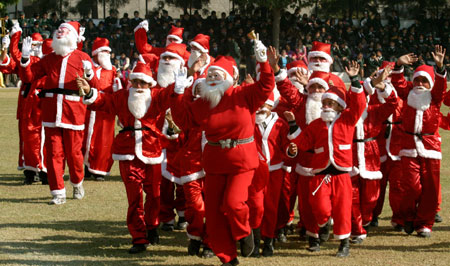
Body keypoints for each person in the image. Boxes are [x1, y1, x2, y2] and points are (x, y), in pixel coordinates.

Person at [170, 37, 273, 266]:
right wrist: (178, 92)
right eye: (210, 76)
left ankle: (245, 232)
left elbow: (266, 86)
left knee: (234, 203)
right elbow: (183, 119)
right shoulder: (205, 102)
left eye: (218, 75)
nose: (213, 79)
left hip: (242, 162)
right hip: (215, 163)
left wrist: (263, 62)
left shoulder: (243, 95)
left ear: (230, 78)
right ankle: (227, 258)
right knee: (214, 215)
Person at [78, 62, 172, 253]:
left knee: (154, 195)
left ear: (150, 84)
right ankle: (138, 238)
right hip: (127, 152)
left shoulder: (156, 96)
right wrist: (89, 92)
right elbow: (102, 102)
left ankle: (152, 226)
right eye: (135, 82)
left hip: (152, 150)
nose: (138, 87)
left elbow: (173, 96)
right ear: (130, 82)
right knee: (134, 198)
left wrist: (180, 82)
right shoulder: (122, 97)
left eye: (143, 83)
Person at [287, 61, 366, 257]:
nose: (325, 106)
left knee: (342, 209)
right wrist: (292, 128)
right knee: (320, 207)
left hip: (340, 173)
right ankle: (322, 227)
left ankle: (343, 243)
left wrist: (355, 80)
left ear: (339, 106)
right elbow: (303, 142)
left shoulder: (347, 120)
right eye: (324, 103)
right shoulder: (316, 124)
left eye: (329, 103)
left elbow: (359, 104)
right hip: (321, 173)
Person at [20, 21, 97, 204]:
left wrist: (88, 74)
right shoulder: (48, 59)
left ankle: (77, 182)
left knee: (74, 153)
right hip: (51, 112)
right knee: (53, 153)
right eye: (59, 30)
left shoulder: (82, 57)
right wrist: (25, 59)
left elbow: (95, 86)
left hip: (73, 112)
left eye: (65, 31)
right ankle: (58, 191)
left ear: (73, 36)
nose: (60, 33)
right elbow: (29, 77)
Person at [392, 46, 447, 238]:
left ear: (430, 83)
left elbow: (441, 86)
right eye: (418, 80)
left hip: (430, 146)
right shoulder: (408, 93)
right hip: (409, 146)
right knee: (411, 186)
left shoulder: (435, 97)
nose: (421, 84)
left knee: (430, 188)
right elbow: (397, 82)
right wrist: (399, 64)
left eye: (425, 80)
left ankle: (425, 223)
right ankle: (408, 217)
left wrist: (439, 67)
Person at [83, 37, 122, 181]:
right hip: (90, 107)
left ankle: (100, 169)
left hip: (106, 109)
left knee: (104, 139)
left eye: (108, 51)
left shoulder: (112, 69)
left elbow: (116, 87)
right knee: (86, 137)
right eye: (103, 51)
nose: (106, 54)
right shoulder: (89, 68)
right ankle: (87, 166)